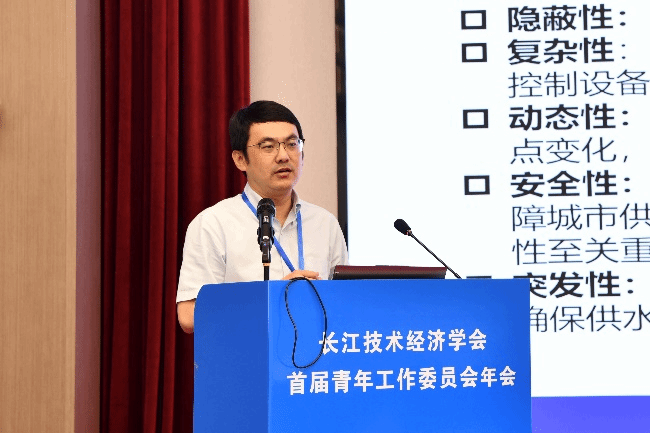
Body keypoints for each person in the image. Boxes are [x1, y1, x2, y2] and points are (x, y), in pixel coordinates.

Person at [176, 100, 349, 333]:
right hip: (246, 353)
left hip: (315, 353)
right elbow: (189, 316)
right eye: (268, 147)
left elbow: (345, 301)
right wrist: (273, 299)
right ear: (240, 159)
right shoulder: (213, 224)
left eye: (292, 144)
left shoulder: (324, 223)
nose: (283, 156)